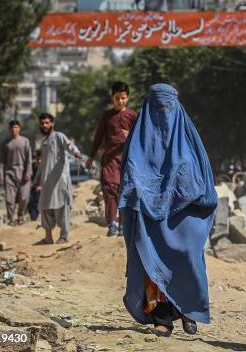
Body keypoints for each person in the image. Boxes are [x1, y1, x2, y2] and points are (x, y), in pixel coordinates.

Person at [119, 84, 217, 337]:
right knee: (153, 264)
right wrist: (144, 190)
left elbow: (203, 179)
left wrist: (180, 183)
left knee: (189, 259)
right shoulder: (137, 140)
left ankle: (189, 311)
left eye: (168, 107)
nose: (163, 114)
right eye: (157, 107)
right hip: (150, 217)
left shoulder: (188, 137)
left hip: (185, 215)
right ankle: (162, 318)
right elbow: (130, 175)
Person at [86, 81, 137, 237]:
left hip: (127, 160)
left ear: (127, 98)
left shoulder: (133, 116)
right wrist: (91, 156)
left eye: (123, 98)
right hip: (109, 159)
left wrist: (130, 136)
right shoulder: (107, 117)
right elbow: (98, 137)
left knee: (124, 190)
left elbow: (141, 138)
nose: (120, 101)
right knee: (109, 190)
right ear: (112, 98)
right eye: (117, 98)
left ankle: (123, 224)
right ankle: (111, 224)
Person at [33, 113, 82, 245]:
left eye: (47, 123)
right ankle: (48, 237)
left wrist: (76, 152)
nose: (44, 125)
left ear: (52, 123)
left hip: (60, 181)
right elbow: (42, 165)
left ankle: (63, 236)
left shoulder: (59, 136)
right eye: (42, 123)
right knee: (44, 207)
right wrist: (37, 181)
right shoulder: (43, 142)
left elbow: (69, 145)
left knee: (62, 208)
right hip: (46, 183)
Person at [0, 120, 33, 226]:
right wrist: (0, 175)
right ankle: (10, 218)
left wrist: (28, 172)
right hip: (9, 173)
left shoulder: (25, 141)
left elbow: (29, 159)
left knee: (24, 196)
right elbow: (1, 161)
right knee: (10, 198)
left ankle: (20, 215)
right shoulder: (5, 143)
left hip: (23, 173)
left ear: (19, 129)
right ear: (9, 129)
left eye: (16, 127)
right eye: (12, 128)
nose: (14, 129)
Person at [27, 150, 42, 222]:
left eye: (40, 159)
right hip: (32, 188)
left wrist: (41, 186)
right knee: (30, 201)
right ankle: (33, 220)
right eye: (37, 159)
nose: (39, 161)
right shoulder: (32, 167)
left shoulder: (46, 168)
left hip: (43, 189)